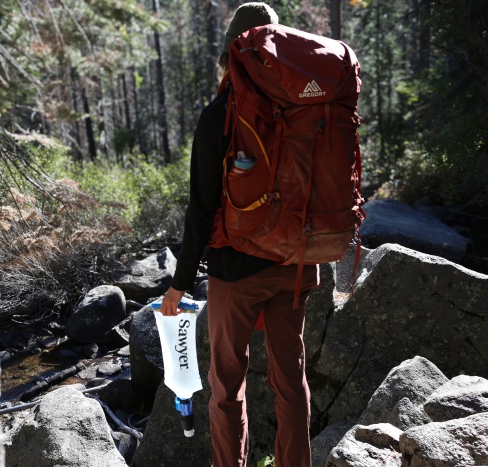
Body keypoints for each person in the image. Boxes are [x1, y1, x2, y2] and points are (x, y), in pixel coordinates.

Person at [160, 3, 317, 466]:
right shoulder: (305, 106)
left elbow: (202, 208)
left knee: (227, 388)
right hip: (295, 263)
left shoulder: (219, 116)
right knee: (291, 378)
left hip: (236, 270)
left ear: (231, 51)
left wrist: (179, 282)